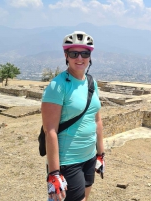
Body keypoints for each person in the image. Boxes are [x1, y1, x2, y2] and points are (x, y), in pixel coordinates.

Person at [41, 31, 105, 201]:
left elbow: (97, 120)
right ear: (66, 55)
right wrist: (54, 172)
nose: (79, 58)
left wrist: (101, 153)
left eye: (85, 53)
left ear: (90, 56)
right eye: (73, 53)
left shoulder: (92, 83)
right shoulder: (57, 86)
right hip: (68, 160)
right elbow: (50, 131)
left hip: (90, 157)